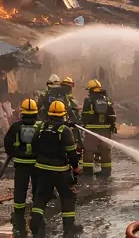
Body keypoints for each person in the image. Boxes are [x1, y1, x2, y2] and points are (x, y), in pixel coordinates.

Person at [32, 100, 82, 237]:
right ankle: (68, 229)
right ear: (63, 114)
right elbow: (72, 152)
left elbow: (34, 145)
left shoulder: (41, 127)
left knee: (41, 197)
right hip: (60, 171)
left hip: (42, 169)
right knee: (68, 197)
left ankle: (35, 225)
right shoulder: (64, 131)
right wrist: (76, 168)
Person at [5, 99, 41, 238]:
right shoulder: (41, 126)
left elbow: (7, 142)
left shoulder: (16, 126)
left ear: (22, 112)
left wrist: (13, 153)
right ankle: (37, 213)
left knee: (20, 188)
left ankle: (19, 214)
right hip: (38, 164)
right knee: (38, 188)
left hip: (21, 163)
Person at [80, 80, 116, 178]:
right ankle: (106, 172)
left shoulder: (88, 100)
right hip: (105, 131)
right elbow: (112, 116)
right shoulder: (107, 100)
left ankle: (87, 172)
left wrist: (83, 124)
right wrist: (112, 126)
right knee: (105, 152)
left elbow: (84, 116)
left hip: (91, 131)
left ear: (91, 90)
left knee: (88, 152)